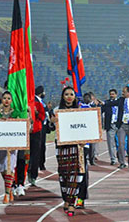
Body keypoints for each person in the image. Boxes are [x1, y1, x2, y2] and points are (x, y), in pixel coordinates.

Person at [55, 86, 84, 216]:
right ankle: (66, 199)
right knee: (63, 175)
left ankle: (71, 202)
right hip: (61, 148)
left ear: (74, 97)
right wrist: (52, 121)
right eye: (66, 94)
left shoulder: (80, 111)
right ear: (63, 96)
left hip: (75, 148)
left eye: (71, 94)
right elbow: (50, 128)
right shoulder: (56, 111)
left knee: (75, 174)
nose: (69, 96)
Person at [103, 86, 129, 169]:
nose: (122, 93)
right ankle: (122, 162)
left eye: (124, 92)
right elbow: (112, 103)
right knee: (121, 145)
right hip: (122, 125)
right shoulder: (121, 100)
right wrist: (103, 103)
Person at [0, 91, 19, 203]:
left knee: (9, 166)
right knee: (2, 168)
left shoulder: (15, 113)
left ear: (11, 100)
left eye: (8, 98)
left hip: (12, 144)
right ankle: (10, 188)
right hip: (0, 144)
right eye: (4, 98)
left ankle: (6, 194)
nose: (6, 100)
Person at [28, 88, 45, 186]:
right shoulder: (23, 101)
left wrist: (36, 112)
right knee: (23, 156)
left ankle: (33, 175)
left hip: (36, 131)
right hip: (25, 131)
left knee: (35, 154)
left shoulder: (37, 103)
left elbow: (42, 117)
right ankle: (20, 178)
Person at [101, 89, 119, 165]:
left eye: (113, 94)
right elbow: (100, 111)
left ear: (116, 94)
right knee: (110, 143)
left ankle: (121, 157)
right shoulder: (106, 103)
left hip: (119, 125)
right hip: (110, 125)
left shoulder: (120, 102)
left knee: (120, 143)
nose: (111, 95)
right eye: (110, 94)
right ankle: (113, 159)